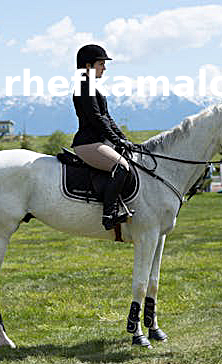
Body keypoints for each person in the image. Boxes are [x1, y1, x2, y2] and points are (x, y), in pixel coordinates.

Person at [72, 44, 134, 230]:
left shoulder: (92, 87)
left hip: (98, 141)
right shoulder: (85, 86)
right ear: (89, 66)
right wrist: (116, 140)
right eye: (101, 64)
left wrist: (124, 139)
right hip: (88, 143)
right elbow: (97, 119)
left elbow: (107, 118)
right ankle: (109, 214)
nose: (104, 68)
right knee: (121, 167)